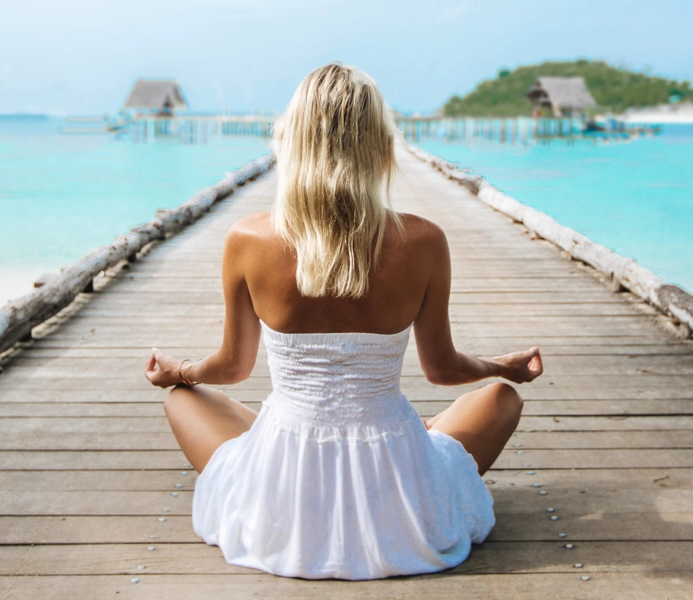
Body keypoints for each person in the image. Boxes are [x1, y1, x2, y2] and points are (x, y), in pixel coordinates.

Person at [144, 63, 543, 580]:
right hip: (394, 475)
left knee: (184, 399)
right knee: (502, 397)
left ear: (293, 140)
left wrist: (179, 370)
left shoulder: (248, 238)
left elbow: (232, 367)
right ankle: (412, 438)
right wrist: (500, 367)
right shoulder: (423, 241)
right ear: (380, 144)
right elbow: (442, 370)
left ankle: (314, 442)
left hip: (284, 487)